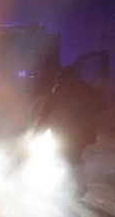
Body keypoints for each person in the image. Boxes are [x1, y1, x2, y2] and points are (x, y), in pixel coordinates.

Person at [33, 65, 104, 199]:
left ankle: (78, 186)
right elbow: (98, 106)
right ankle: (79, 185)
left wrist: (37, 133)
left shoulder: (58, 91)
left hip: (65, 132)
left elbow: (45, 115)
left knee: (70, 157)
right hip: (81, 131)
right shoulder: (86, 89)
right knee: (74, 157)